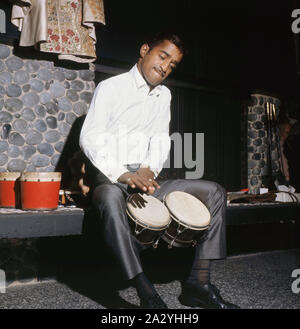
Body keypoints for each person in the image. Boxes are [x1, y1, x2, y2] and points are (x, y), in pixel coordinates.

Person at [79, 32, 239, 309]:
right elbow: (90, 138)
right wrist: (125, 175)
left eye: (173, 64)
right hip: (111, 176)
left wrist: (149, 169)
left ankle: (198, 283)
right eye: (162, 56)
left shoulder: (164, 95)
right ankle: (145, 291)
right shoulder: (110, 88)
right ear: (144, 50)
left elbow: (160, 139)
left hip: (145, 177)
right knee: (107, 199)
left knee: (214, 192)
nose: (165, 66)